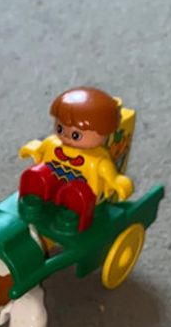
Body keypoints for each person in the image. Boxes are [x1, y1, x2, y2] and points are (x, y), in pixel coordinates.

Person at [18, 87, 133, 232]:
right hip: (52, 187)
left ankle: (71, 216)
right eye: (60, 128)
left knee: (77, 193)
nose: (66, 136)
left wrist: (117, 182)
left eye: (76, 135)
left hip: (82, 201)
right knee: (36, 175)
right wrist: (32, 149)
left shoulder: (97, 160)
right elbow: (40, 149)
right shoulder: (52, 144)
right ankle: (37, 199)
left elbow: (111, 176)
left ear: (103, 133)